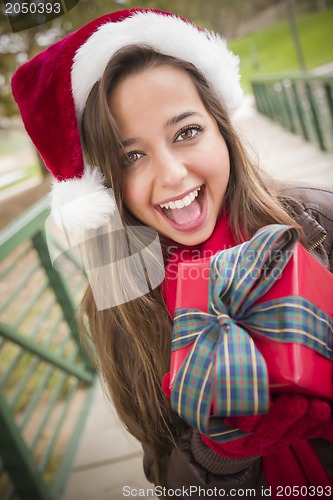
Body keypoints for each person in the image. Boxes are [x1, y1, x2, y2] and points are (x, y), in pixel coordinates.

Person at [11, 8, 333, 498]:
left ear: (221, 127)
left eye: (186, 132)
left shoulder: (318, 221)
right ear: (102, 182)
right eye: (131, 156)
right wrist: (219, 454)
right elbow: (165, 474)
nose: (173, 175)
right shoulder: (119, 307)